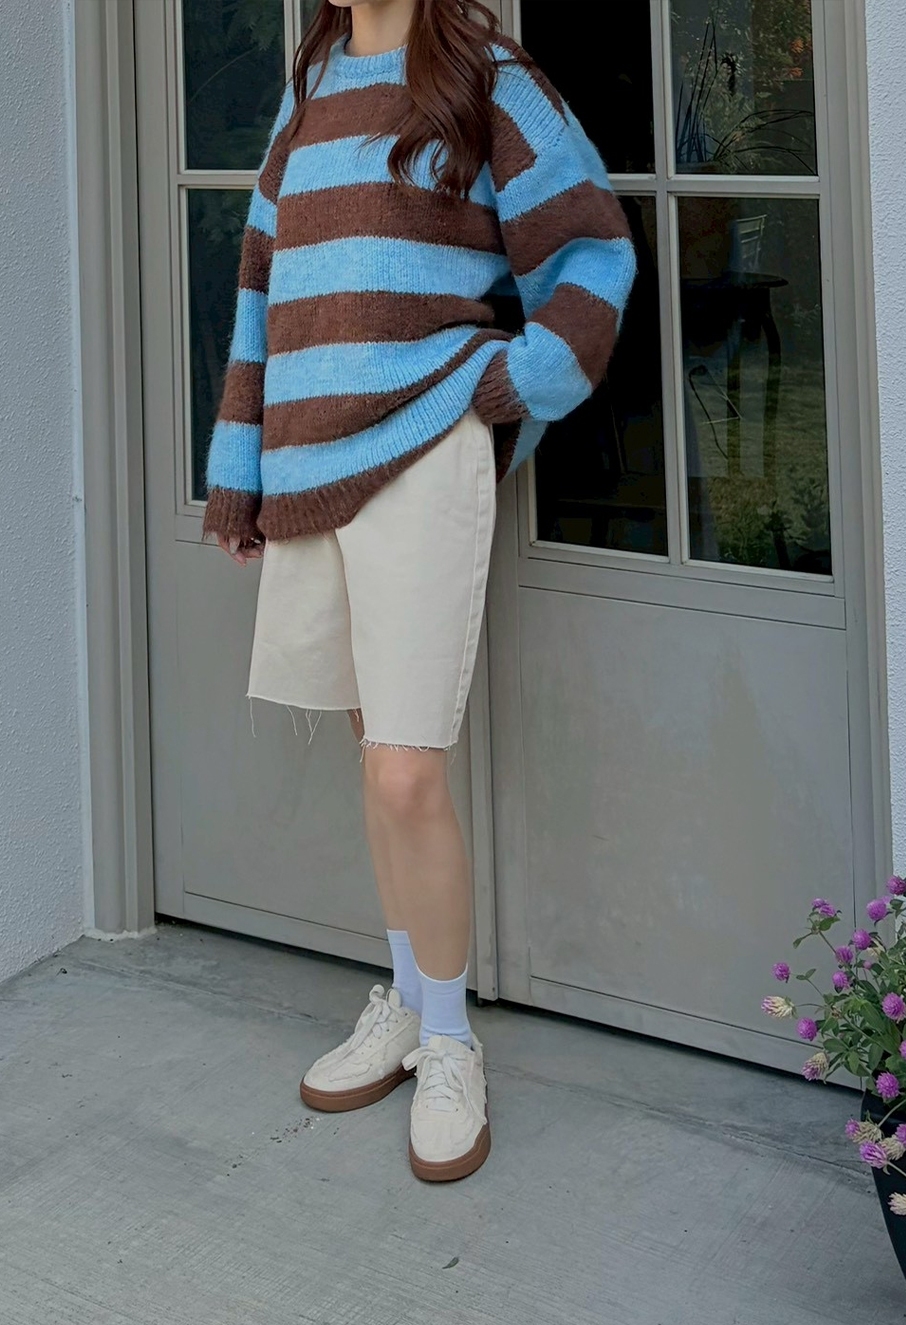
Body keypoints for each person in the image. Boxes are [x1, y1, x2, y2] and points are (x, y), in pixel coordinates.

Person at [202, 0, 636, 1182]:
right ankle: (404, 995)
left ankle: (449, 1040)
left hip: (424, 450)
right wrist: (238, 472)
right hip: (309, 462)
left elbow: (591, 247)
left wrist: (514, 382)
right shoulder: (310, 88)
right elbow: (262, 286)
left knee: (405, 766)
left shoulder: (485, 74)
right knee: (370, 757)